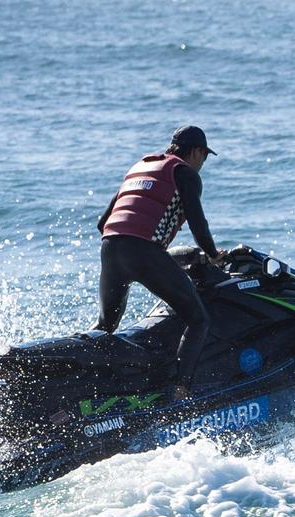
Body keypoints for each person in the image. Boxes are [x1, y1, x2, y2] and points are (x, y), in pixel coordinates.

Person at [96, 125, 226, 400]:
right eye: (204, 157)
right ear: (197, 151)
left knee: (105, 328)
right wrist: (213, 254)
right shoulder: (185, 173)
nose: (202, 164)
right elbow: (198, 225)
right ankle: (180, 390)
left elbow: (102, 223)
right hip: (142, 251)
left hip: (110, 248)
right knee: (198, 318)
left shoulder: (140, 168)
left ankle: (93, 386)